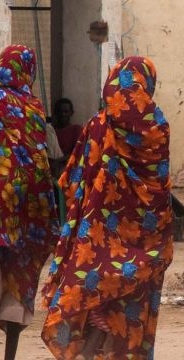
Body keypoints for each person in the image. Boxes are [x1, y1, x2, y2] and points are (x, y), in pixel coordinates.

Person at [41, 56, 173, 359]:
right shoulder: (158, 126)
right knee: (134, 314)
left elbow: (73, 180)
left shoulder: (98, 126)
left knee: (93, 299)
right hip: (148, 242)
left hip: (99, 240)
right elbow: (160, 183)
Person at [0, 44, 59, 360]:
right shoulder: (34, 108)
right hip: (27, 212)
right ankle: (9, 356)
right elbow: (43, 161)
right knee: (17, 284)